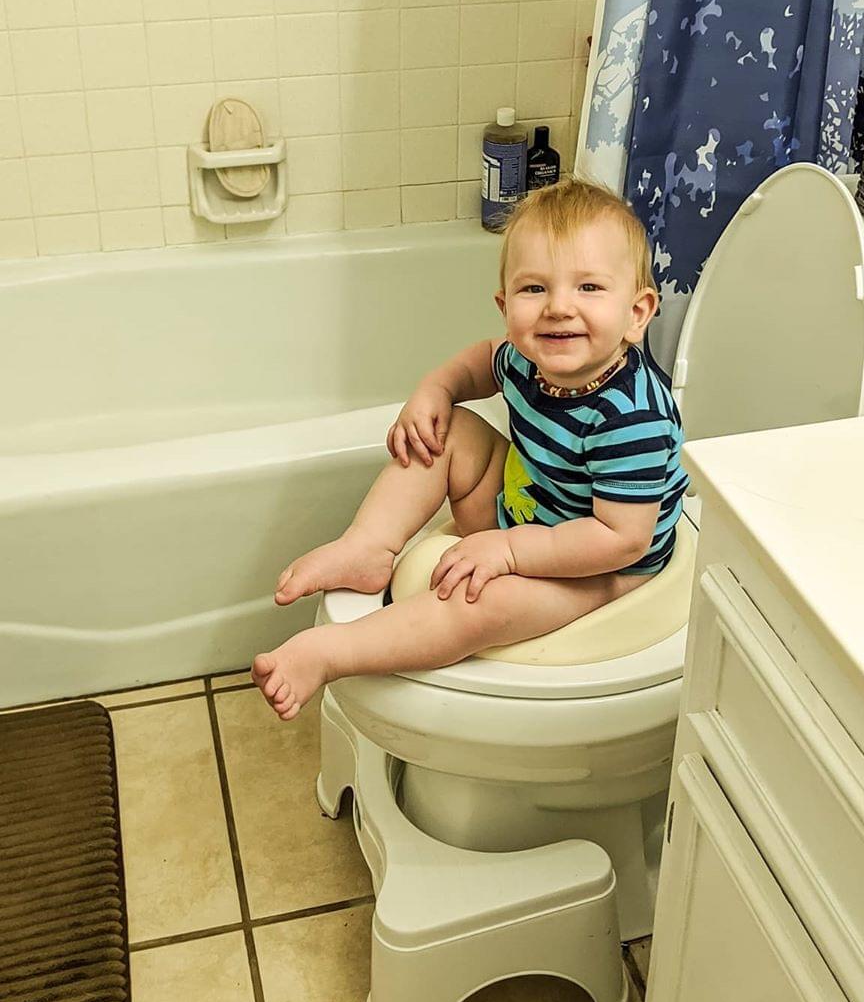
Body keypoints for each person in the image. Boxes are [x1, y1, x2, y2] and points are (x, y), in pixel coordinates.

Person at [251, 177, 689, 720]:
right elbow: (480, 360)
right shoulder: (530, 358)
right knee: (449, 430)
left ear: (638, 312)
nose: (558, 308)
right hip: (534, 507)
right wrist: (435, 390)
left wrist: (509, 553)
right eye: (535, 289)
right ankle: (368, 546)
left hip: (599, 570)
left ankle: (331, 653)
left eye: (589, 288)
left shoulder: (631, 417)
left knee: (482, 605)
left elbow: (619, 540)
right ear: (505, 303)